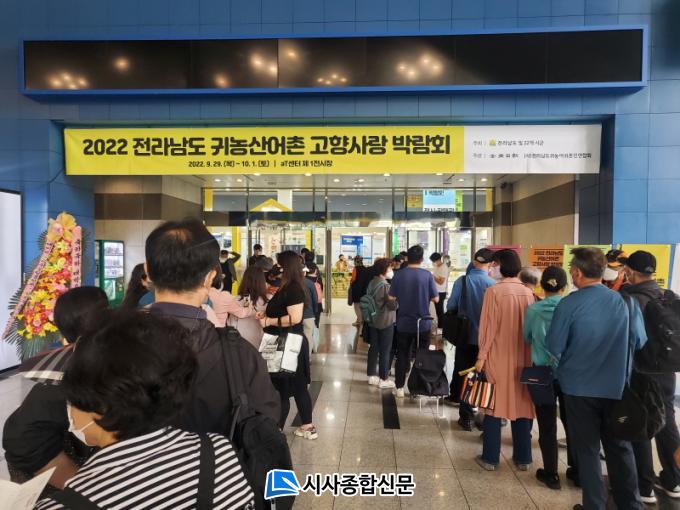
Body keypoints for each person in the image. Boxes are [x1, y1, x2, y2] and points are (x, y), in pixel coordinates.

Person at [35, 309, 255, 509]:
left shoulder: (61, 505)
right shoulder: (218, 453)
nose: (70, 408)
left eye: (72, 398)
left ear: (100, 405)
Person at [146, 219, 280, 433]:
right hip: (217, 452)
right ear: (210, 277)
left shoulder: (109, 344)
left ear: (147, 271)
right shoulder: (241, 354)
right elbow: (266, 421)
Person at [546, 247, 646, 510]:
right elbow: (639, 341)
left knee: (588, 450)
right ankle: (631, 505)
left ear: (577, 273)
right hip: (616, 388)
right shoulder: (626, 302)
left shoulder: (569, 304)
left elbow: (554, 346)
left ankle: (595, 505)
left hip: (578, 389)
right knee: (620, 447)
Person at [2, 287, 108, 496]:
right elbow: (22, 440)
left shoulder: (106, 363)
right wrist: (82, 489)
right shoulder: (61, 384)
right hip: (58, 478)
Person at [622, 251, 680, 503]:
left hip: (641, 370)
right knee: (668, 423)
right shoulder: (667, 296)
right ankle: (674, 479)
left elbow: (627, 339)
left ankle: (644, 486)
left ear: (630, 271)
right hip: (667, 370)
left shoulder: (632, 299)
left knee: (641, 423)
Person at [474, 249, 536, 471]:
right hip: (524, 357)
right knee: (522, 405)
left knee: (493, 404)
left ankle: (490, 458)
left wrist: (481, 357)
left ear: (502, 265)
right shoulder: (528, 293)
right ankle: (523, 458)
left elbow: (488, 329)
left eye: (495, 264)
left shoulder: (494, 292)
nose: (493, 267)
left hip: (498, 357)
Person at [523, 266, 574, 490]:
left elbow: (527, 337)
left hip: (541, 372)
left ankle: (551, 474)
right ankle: (577, 470)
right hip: (569, 372)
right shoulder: (572, 308)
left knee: (546, 423)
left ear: (541, 286)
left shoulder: (533, 310)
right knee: (572, 421)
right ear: (565, 287)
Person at [260, 250, 317, 440]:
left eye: (279, 264)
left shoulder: (293, 289)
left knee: (283, 386)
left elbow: (295, 317)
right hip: (284, 341)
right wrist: (267, 316)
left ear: (287, 267)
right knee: (290, 385)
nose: (276, 268)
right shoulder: (288, 287)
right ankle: (305, 426)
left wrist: (269, 321)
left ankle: (279, 428)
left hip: (287, 343)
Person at [445, 248, 496, 429]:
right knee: (485, 376)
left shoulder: (462, 281)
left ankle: (466, 417)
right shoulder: (494, 285)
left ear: (474, 262)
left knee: (466, 373)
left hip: (465, 336)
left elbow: (451, 305)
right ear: (491, 264)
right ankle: (483, 415)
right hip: (488, 340)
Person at [389, 245, 439, 398]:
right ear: (422, 259)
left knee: (402, 355)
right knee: (421, 356)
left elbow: (391, 297)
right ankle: (417, 388)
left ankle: (399, 387)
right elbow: (436, 299)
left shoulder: (398, 275)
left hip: (404, 322)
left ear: (407, 258)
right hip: (423, 323)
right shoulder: (427, 275)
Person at [366, 258, 398, 389]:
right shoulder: (386, 286)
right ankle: (383, 378)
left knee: (373, 348)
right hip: (385, 321)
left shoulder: (372, 282)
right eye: (390, 268)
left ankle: (371, 375)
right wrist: (396, 300)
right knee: (385, 350)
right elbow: (392, 305)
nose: (391, 270)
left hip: (373, 320)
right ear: (383, 270)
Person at [230, 265, 271, 349]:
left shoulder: (236, 300)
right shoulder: (269, 300)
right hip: (261, 344)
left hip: (240, 345)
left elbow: (231, 323)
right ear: (262, 281)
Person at [208, 264, 256, 328]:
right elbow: (242, 313)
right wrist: (251, 307)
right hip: (217, 331)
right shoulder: (224, 297)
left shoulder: (198, 294)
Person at [302, 267, 319, 356]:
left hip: (292, 315)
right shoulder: (310, 283)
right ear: (305, 273)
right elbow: (315, 299)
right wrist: (315, 312)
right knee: (308, 335)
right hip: (308, 314)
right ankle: (307, 357)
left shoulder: (290, 282)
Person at [430, 252, 450, 325]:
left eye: (433, 261)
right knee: (437, 309)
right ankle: (439, 325)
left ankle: (441, 326)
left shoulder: (443, 267)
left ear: (437, 260)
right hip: (436, 290)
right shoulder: (436, 267)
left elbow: (441, 282)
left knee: (439, 310)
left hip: (441, 291)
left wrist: (432, 277)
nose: (433, 263)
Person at [350, 256, 369, 329]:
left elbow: (353, 279)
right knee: (362, 306)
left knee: (357, 306)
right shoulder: (366, 269)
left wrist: (351, 282)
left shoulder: (356, 269)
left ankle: (360, 322)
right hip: (364, 290)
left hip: (357, 290)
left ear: (355, 261)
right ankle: (358, 320)